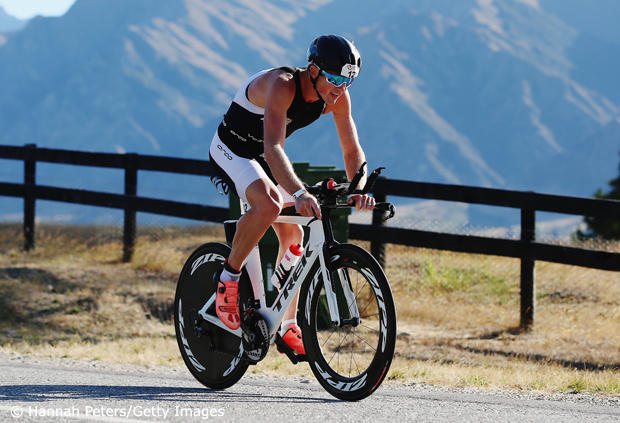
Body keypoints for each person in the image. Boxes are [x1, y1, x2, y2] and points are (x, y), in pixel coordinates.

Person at [209, 34, 375, 355]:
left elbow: (351, 149)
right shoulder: (283, 85)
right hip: (232, 150)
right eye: (335, 79)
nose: (340, 88)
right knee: (270, 204)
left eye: (348, 81)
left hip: (265, 158)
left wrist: (358, 189)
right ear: (313, 71)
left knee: (295, 234)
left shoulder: (338, 98)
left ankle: (286, 325)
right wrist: (298, 192)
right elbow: (273, 146)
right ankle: (228, 278)